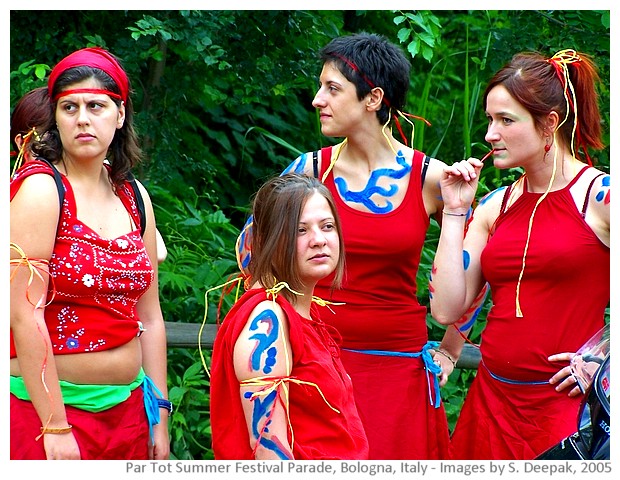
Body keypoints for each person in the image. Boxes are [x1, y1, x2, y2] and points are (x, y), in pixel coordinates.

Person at [237, 32, 457, 459]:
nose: (318, 99)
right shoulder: (310, 169)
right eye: (321, 87)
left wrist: (451, 348)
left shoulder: (431, 178)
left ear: (373, 99)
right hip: (316, 361)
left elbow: (478, 269)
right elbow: (250, 257)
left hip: (398, 369)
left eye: (332, 89)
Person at [429, 49, 610, 460]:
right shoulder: (495, 206)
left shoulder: (600, 198)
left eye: (506, 120)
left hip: (566, 410)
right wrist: (456, 211)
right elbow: (446, 308)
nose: (491, 134)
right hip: (490, 404)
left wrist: (603, 357)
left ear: (549, 124)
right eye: (490, 120)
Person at [10, 47, 170, 460]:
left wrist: (161, 416)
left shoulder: (135, 196)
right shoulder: (42, 191)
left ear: (119, 116)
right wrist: (55, 425)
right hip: (45, 411)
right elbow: (23, 314)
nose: (83, 118)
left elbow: (149, 316)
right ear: (55, 119)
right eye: (70, 107)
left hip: (129, 412)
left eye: (96, 106)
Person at [210, 173, 369, 460]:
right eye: (300, 230)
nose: (319, 240)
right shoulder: (267, 319)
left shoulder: (299, 311)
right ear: (269, 238)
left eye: (327, 226)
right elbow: (269, 450)